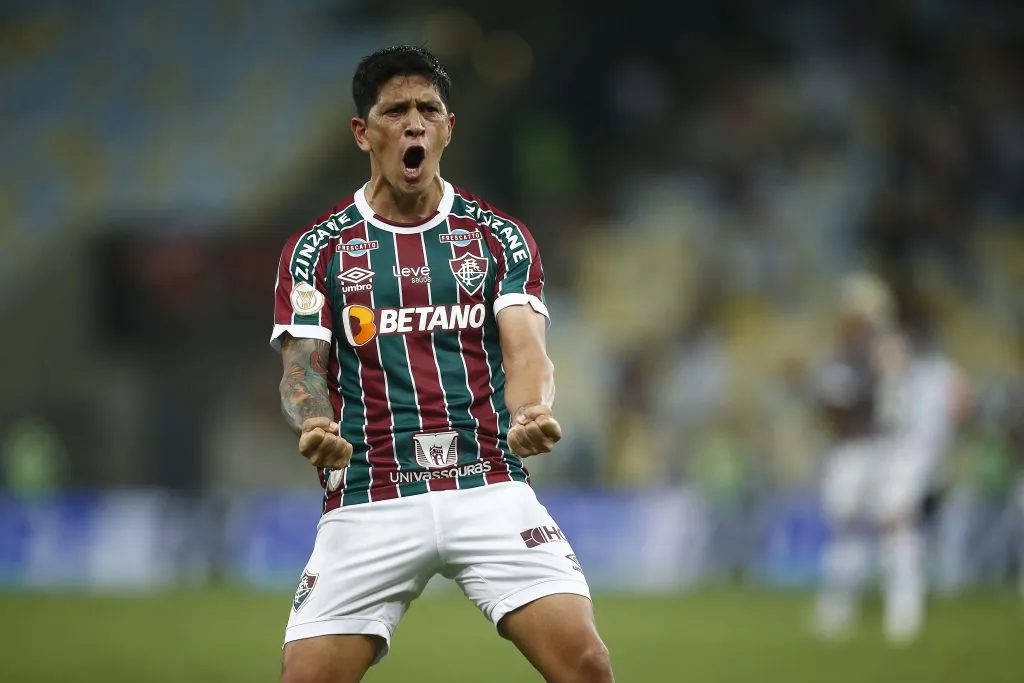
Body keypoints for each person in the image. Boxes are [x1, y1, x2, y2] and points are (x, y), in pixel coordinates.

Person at [269, 45, 615, 683]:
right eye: (395, 110)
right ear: (362, 132)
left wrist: (531, 409)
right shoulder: (316, 249)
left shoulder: (497, 238)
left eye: (428, 109)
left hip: (485, 481)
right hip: (370, 489)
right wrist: (313, 422)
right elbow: (302, 367)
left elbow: (527, 350)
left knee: (587, 664)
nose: (413, 123)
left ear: (448, 128)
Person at [813, 272, 969, 644]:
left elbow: (868, 402)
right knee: (848, 523)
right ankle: (841, 603)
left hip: (885, 446)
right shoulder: (851, 352)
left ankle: (903, 603)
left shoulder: (884, 348)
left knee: (893, 519)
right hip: (862, 447)